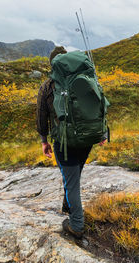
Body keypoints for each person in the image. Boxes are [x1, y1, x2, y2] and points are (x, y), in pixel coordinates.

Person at [36, 46, 106, 239]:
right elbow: (100, 106)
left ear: (53, 64)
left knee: (71, 180)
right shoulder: (86, 80)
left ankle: (76, 224)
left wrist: (44, 140)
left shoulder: (48, 86)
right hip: (87, 138)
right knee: (74, 174)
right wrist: (102, 133)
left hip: (63, 142)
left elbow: (41, 116)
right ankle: (68, 205)